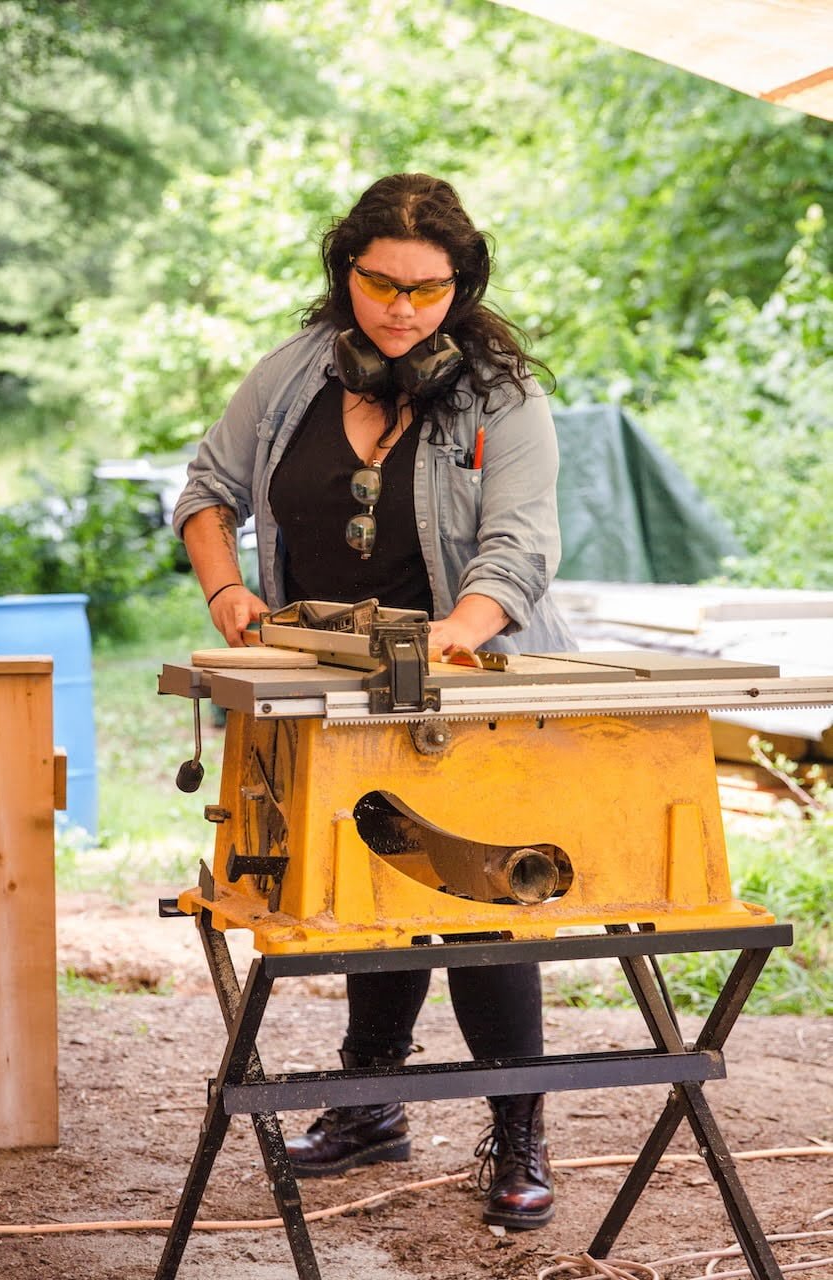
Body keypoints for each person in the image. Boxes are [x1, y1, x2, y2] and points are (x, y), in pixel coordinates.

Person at [173, 173, 575, 1231]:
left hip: (467, 681)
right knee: (371, 874)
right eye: (380, 284)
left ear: (461, 285)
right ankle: (369, 1103)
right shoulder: (289, 376)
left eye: (427, 290)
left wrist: (459, 628)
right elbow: (204, 491)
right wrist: (225, 585)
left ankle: (518, 1134)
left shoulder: (503, 396)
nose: (401, 309)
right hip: (329, 691)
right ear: (344, 272)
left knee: (486, 900)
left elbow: (521, 541)